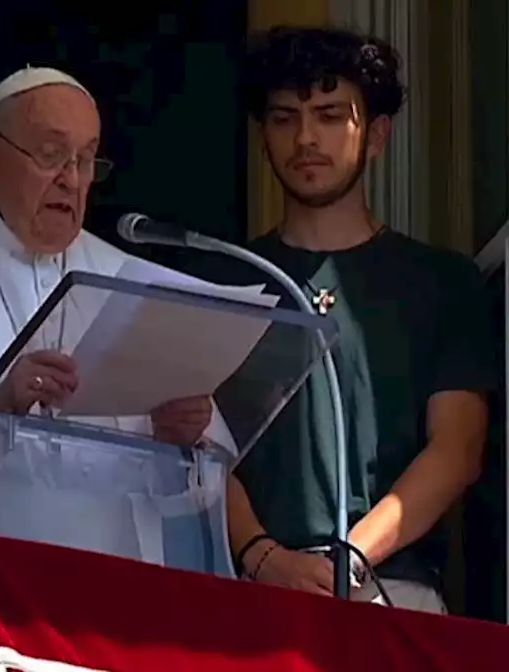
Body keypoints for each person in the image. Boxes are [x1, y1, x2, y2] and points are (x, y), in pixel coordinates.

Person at [0, 66, 234, 531]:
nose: (72, 180)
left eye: (86, 160)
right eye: (51, 154)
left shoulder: (129, 277)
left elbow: (204, 488)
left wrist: (177, 444)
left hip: (106, 576)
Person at [210, 26, 495, 614]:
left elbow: (457, 449)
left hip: (394, 586)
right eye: (285, 118)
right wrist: (262, 555)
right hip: (246, 585)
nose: (306, 137)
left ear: (377, 135)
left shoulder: (443, 281)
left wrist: (350, 557)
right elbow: (200, 445)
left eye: (331, 115)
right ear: (263, 136)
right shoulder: (223, 279)